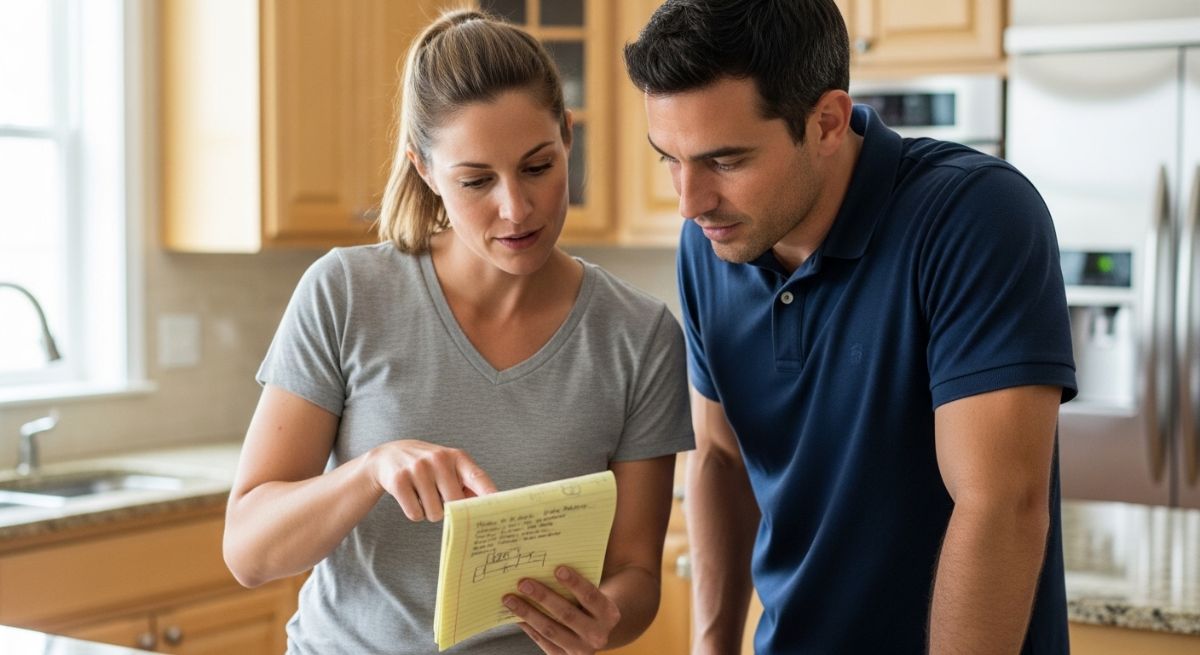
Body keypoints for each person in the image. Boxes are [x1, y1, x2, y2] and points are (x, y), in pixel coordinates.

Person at [223, 10, 693, 654]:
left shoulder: (638, 336)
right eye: (475, 180)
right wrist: (369, 471)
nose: (515, 208)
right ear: (424, 169)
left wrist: (602, 614)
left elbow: (637, 575)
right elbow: (249, 553)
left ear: (567, 135)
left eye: (537, 167)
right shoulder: (346, 293)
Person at [624, 1, 1078, 653]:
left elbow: (998, 505)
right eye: (669, 157)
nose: (688, 200)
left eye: (725, 161)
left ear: (828, 122)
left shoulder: (973, 217)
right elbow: (720, 456)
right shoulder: (712, 240)